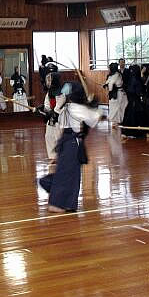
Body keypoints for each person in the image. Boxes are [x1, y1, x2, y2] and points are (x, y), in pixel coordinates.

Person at [38, 82, 101, 213]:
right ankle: (57, 203)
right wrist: (93, 105)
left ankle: (65, 202)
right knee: (67, 174)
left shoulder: (68, 107)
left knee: (67, 173)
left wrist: (90, 105)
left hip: (65, 142)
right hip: (72, 143)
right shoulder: (75, 108)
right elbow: (95, 118)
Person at [39, 71, 65, 163]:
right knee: (48, 136)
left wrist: (53, 112)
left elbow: (59, 106)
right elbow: (47, 103)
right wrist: (44, 109)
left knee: (58, 136)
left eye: (50, 80)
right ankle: (53, 156)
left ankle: (62, 156)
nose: (48, 82)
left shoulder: (61, 92)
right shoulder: (49, 92)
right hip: (52, 116)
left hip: (61, 117)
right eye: (48, 80)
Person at [120, 64, 146, 139]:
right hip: (136, 102)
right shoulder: (137, 80)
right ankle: (137, 133)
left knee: (129, 117)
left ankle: (127, 132)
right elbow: (139, 92)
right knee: (136, 117)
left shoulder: (130, 79)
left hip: (130, 102)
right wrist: (143, 87)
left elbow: (128, 89)